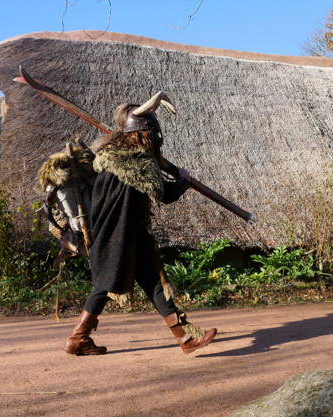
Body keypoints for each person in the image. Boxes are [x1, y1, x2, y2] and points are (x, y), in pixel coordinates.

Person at [63, 92, 218, 356]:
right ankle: (78, 337)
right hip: (124, 234)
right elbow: (162, 194)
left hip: (118, 233)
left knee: (150, 283)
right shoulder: (138, 161)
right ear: (146, 132)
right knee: (108, 286)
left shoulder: (111, 156)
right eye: (152, 131)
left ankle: (184, 336)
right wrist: (182, 180)